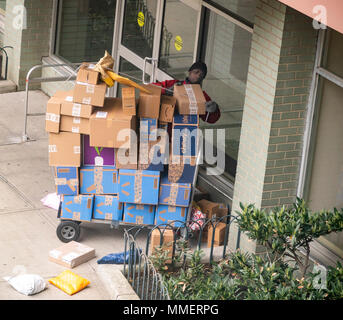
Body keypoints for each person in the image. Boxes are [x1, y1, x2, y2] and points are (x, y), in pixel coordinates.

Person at [154, 61, 220, 124]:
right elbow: (151, 88)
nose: (198, 76)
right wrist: (165, 90)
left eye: (201, 75)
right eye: (196, 72)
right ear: (190, 72)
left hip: (183, 130)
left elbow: (211, 120)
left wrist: (214, 110)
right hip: (164, 124)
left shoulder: (203, 96)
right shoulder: (174, 84)